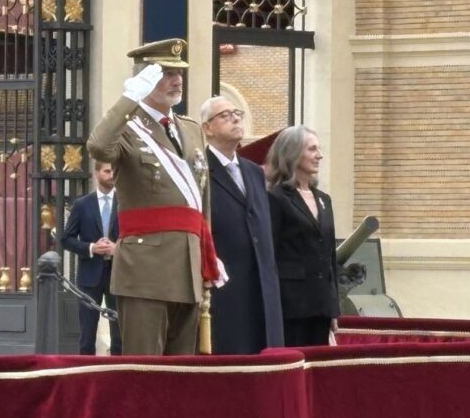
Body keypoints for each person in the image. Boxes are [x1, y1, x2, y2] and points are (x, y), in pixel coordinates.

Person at [86, 38, 219, 356]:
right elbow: (98, 147)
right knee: (145, 372)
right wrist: (128, 98)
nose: (177, 80)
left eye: (180, 73)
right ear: (144, 79)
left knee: (182, 373)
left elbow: (202, 201)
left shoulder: (190, 129)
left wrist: (207, 255)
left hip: (188, 268)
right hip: (145, 271)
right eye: (167, 73)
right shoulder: (127, 128)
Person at [201, 96, 282, 354]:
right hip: (226, 292)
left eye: (237, 113)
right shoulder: (199, 170)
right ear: (207, 128)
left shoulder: (254, 172)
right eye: (225, 115)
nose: (235, 118)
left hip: (262, 289)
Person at [265, 125, 339, 347]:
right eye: (312, 149)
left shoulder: (324, 199)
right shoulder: (275, 198)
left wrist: (333, 307)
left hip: (321, 306)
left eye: (319, 148)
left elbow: (329, 258)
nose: (320, 155)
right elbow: (270, 254)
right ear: (292, 153)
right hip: (291, 307)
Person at [62, 159, 122, 355]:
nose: (111, 175)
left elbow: (135, 236)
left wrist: (118, 248)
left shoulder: (125, 202)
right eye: (106, 171)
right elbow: (66, 239)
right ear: (96, 173)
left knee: (120, 334)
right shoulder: (82, 205)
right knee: (87, 335)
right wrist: (91, 248)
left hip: (118, 274)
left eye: (113, 171)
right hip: (90, 275)